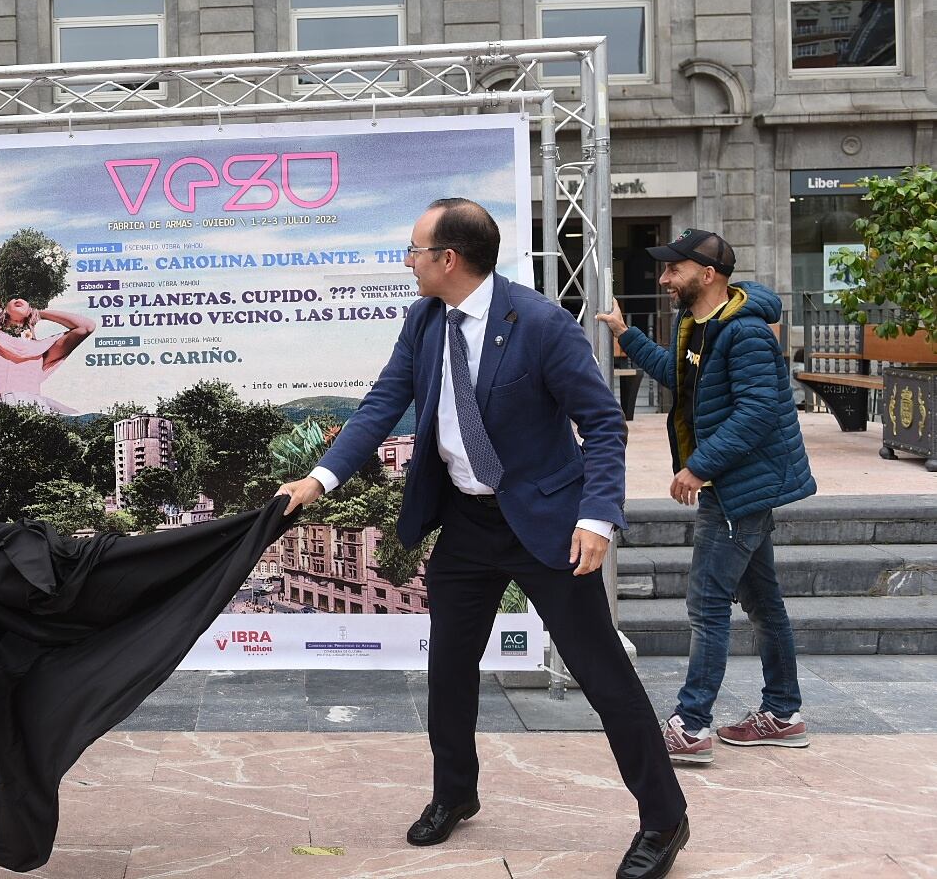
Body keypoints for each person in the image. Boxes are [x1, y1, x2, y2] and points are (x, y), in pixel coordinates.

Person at [276, 198, 688, 879]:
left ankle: (663, 817)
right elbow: (382, 404)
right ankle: (455, 792)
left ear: (448, 258)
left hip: (548, 524)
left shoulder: (544, 326)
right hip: (466, 521)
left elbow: (604, 425)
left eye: (413, 250)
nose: (406, 262)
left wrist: (595, 518)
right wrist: (317, 481)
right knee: (450, 666)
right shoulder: (423, 319)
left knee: (600, 672)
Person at [598, 229, 816, 764]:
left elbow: (759, 411)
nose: (664, 278)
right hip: (736, 485)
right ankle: (784, 714)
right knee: (763, 603)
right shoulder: (698, 325)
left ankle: (692, 725)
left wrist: (698, 466)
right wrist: (627, 335)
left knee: (707, 604)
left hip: (740, 487)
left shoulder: (744, 335)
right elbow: (680, 376)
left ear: (708, 274)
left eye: (674, 270)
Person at [0, 282, 94, 416]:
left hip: (32, 423)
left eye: (25, 297)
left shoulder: (41, 349)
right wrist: (4, 298)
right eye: (13, 295)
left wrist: (38, 311)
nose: (18, 297)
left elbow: (86, 327)